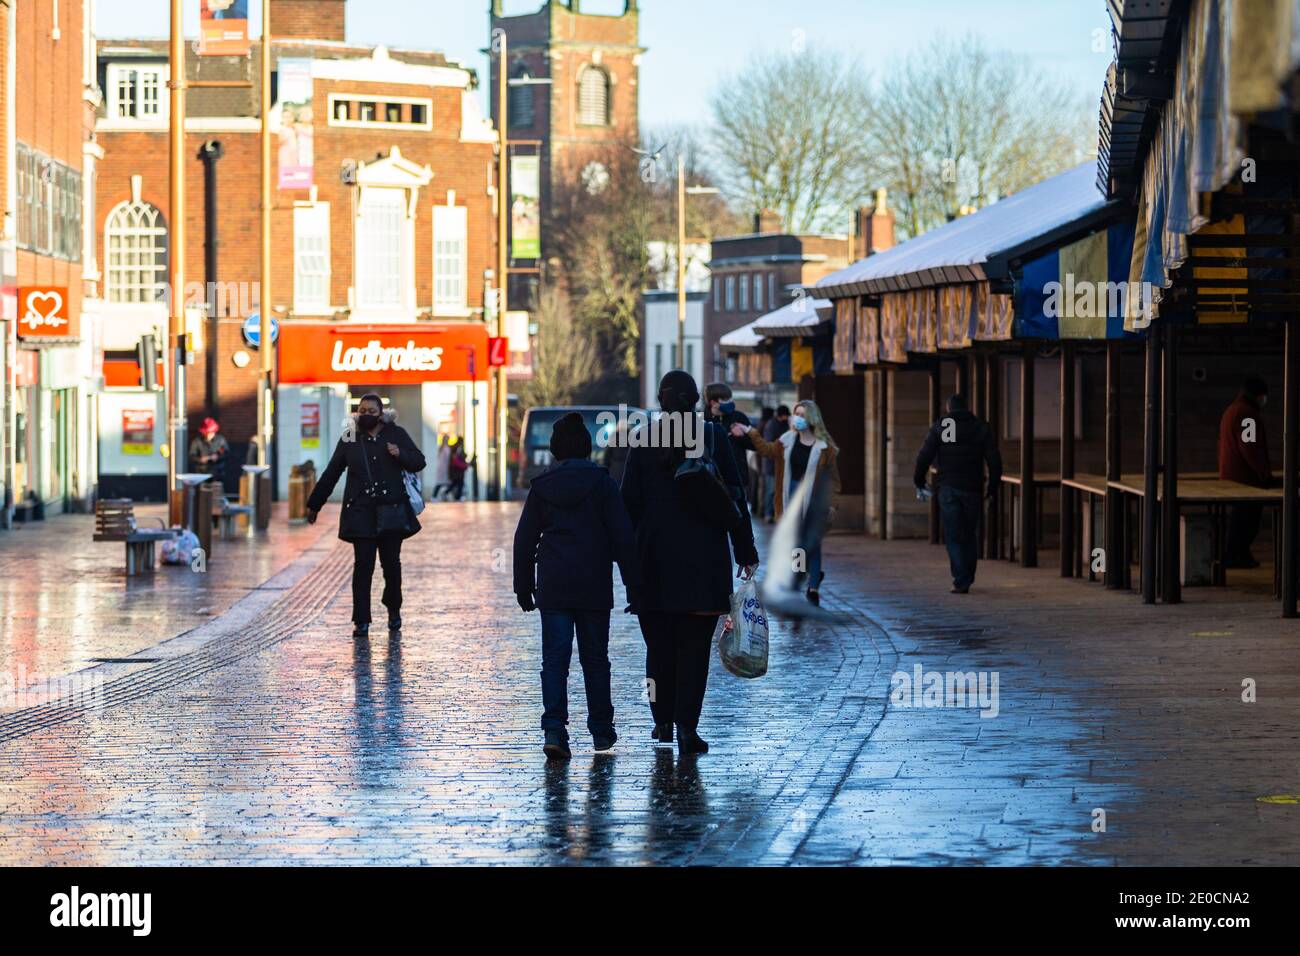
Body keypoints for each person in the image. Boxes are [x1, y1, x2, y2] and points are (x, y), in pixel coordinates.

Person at [622, 370, 759, 755]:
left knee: (658, 647)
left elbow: (627, 505)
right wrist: (745, 551)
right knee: (694, 651)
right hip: (703, 563)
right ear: (696, 399)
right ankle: (686, 728)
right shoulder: (712, 437)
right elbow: (735, 500)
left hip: (653, 565)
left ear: (661, 400)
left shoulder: (643, 438)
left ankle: (661, 722)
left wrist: (622, 560)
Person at [514, 413, 641, 761]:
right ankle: (601, 731)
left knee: (554, 659)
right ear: (587, 448)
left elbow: (524, 539)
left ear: (555, 450)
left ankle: (554, 728)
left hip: (554, 583)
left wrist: (523, 586)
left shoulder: (542, 486)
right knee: (595, 660)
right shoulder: (603, 483)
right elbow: (623, 538)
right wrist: (633, 586)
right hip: (593, 583)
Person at [306, 394, 426, 638]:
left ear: (381, 414)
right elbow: (332, 472)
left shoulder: (396, 434)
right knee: (363, 566)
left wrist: (399, 453)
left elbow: (419, 461)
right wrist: (314, 504)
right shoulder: (351, 437)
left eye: (371, 410)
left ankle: (394, 609)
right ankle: (361, 620)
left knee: (391, 566)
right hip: (360, 512)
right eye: (362, 410)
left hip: (391, 511)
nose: (366, 414)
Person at [735, 399, 841, 604]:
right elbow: (766, 450)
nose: (797, 419)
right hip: (789, 498)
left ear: (811, 418)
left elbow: (834, 480)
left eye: (801, 415)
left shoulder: (825, 448)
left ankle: (813, 588)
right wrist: (749, 430)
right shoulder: (787, 440)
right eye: (796, 414)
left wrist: (831, 505)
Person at [912, 394, 1002, 594]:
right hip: (972, 488)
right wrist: (993, 487)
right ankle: (967, 575)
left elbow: (924, 454)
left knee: (953, 534)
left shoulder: (942, 427)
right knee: (969, 533)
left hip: (948, 487)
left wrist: (918, 479)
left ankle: (961, 579)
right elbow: (994, 460)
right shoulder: (980, 427)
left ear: (948, 408)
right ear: (967, 407)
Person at [1219, 376, 1273, 568]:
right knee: (1247, 519)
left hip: (1234, 475)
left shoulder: (1232, 410)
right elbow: (1249, 446)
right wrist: (1263, 473)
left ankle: (1238, 553)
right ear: (1258, 395)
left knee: (1242, 518)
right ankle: (1236, 554)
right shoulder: (1247, 415)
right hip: (1245, 478)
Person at [761, 405, 790, 523]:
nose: (786, 418)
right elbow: (769, 445)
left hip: (782, 463)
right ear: (780, 415)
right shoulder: (771, 425)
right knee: (771, 490)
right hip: (771, 464)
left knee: (779, 491)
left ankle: (776, 514)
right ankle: (768, 514)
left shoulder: (785, 424)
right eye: (785, 415)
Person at [188, 417, 229, 483]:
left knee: (216, 491)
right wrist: (200, 459)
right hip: (202, 474)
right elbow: (192, 456)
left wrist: (218, 457)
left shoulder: (220, 440)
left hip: (217, 473)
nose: (208, 435)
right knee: (203, 491)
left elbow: (226, 452)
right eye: (207, 433)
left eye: (210, 433)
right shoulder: (197, 441)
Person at [430, 434, 452, 501]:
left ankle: (445, 494)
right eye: (446, 439)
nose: (447, 440)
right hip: (442, 467)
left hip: (447, 467)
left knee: (449, 483)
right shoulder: (441, 447)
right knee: (439, 483)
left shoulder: (448, 447)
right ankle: (434, 496)